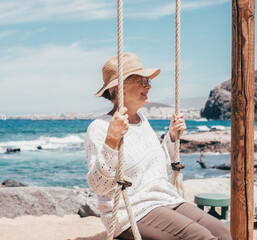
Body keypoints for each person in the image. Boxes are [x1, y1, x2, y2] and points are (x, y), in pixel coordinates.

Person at [85, 53, 231, 240]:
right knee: (201, 237)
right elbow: (99, 186)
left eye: (148, 80)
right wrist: (111, 141)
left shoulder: (142, 121)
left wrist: (171, 136)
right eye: (142, 80)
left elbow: (159, 168)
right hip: (132, 210)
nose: (149, 85)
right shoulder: (100, 127)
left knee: (221, 232)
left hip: (164, 199)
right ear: (118, 87)